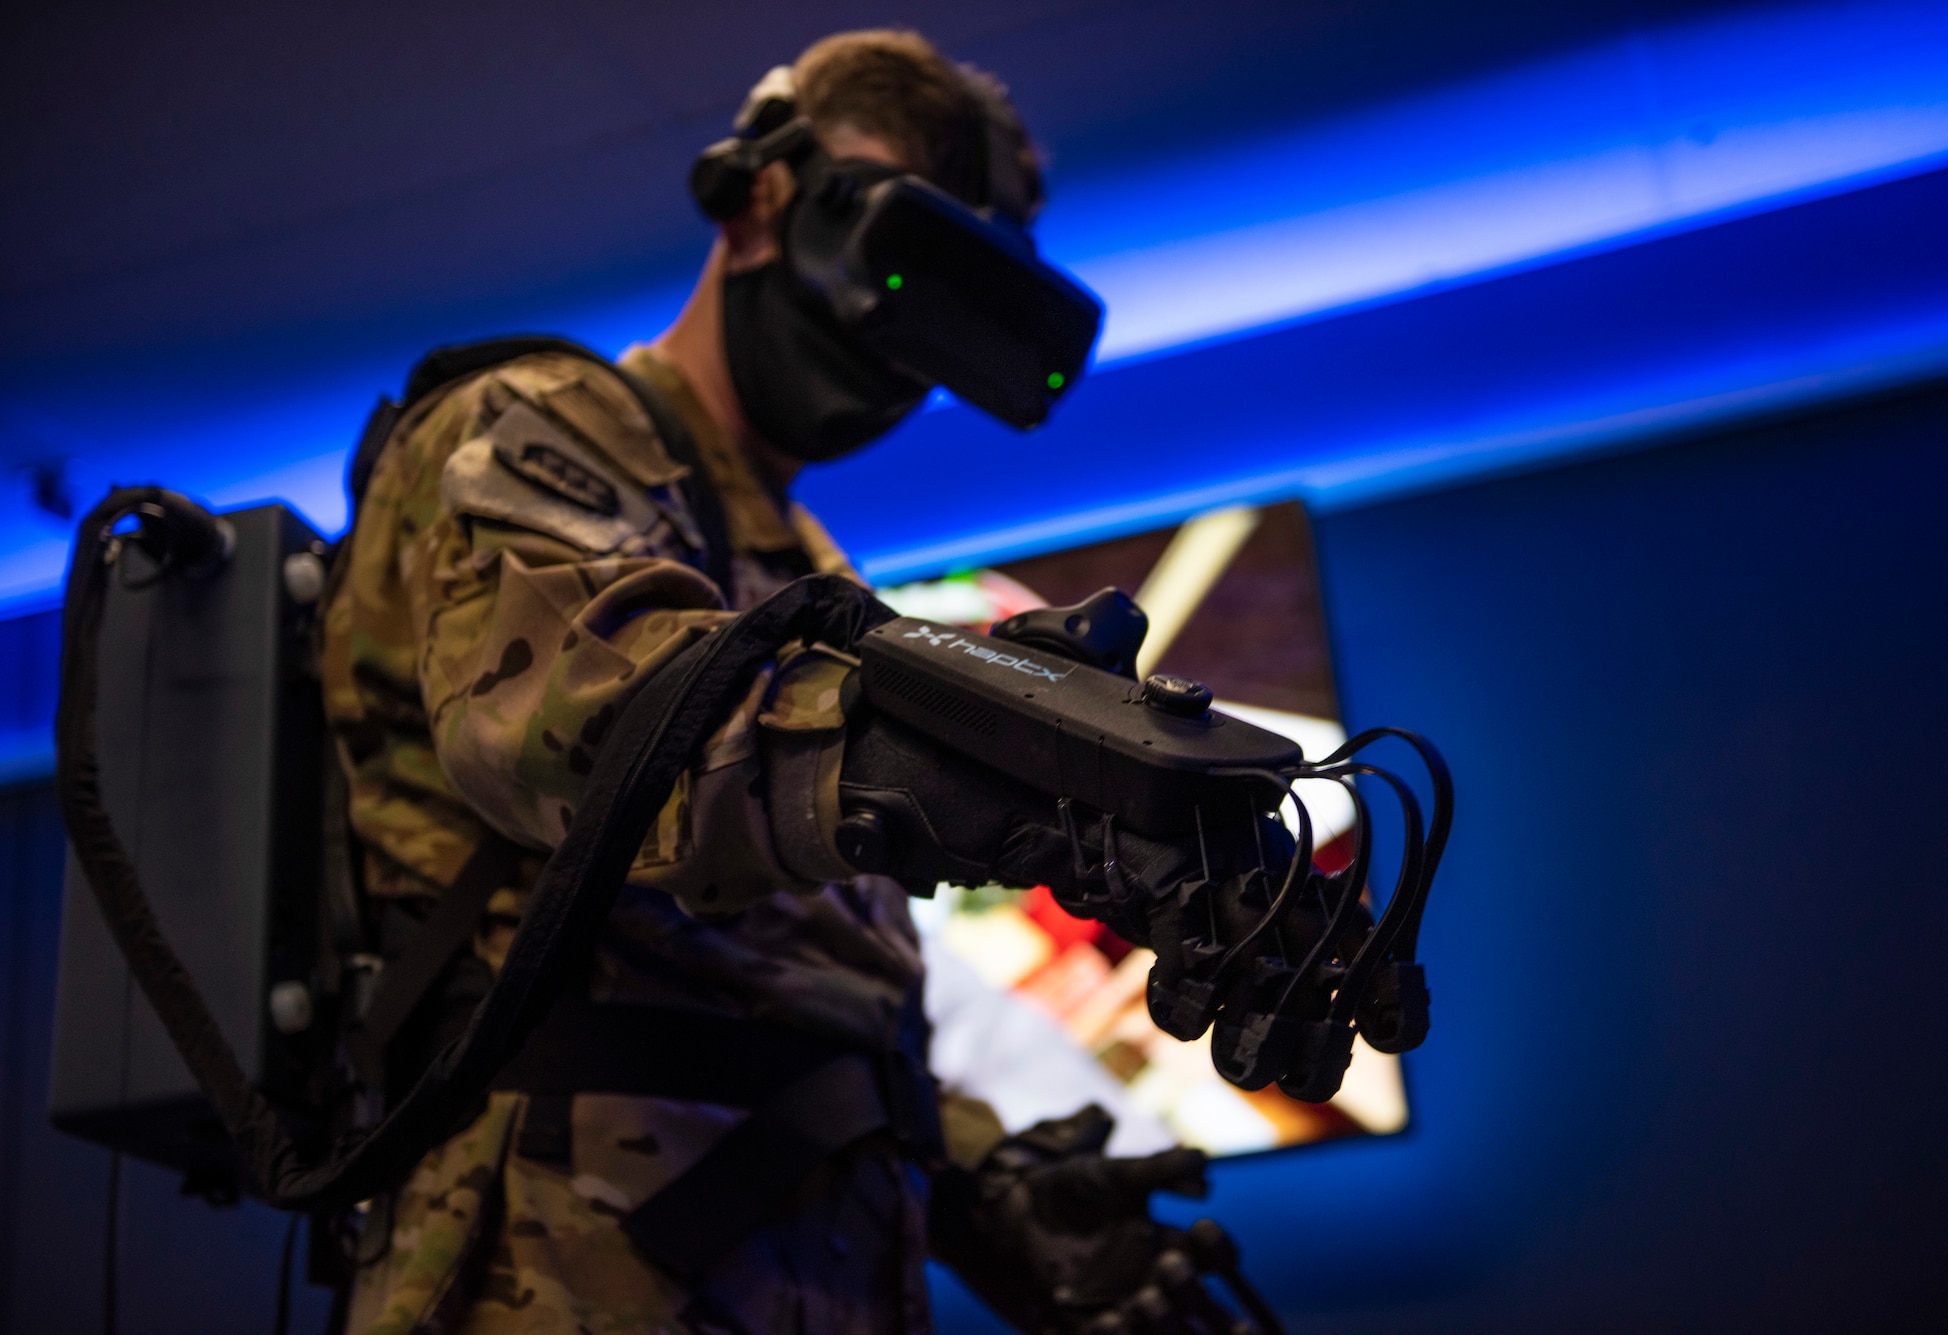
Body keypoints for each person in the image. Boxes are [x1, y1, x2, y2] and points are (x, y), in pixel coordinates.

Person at [321, 28, 1267, 1335]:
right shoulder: (533, 424)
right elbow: (592, 737)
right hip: (559, 1267)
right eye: (895, 263)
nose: (899, 347)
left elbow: (793, 981)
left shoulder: (806, 572)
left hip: (796, 1263)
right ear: (761, 197)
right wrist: (951, 754)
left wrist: (987, 1181)